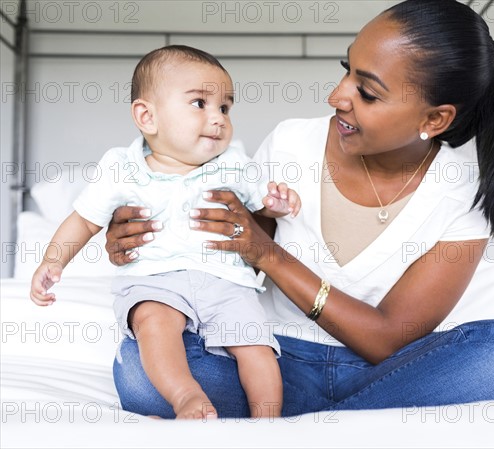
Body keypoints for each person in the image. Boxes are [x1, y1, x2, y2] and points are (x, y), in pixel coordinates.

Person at [107, 0, 494, 418]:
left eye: (367, 92)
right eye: (347, 70)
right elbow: (225, 253)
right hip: (268, 357)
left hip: (387, 370)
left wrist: (269, 254)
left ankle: (322, 419)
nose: (337, 96)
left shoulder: (461, 193)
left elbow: (386, 340)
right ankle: (362, 418)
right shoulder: (291, 142)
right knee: (139, 370)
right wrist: (149, 234)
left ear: (434, 119)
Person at [30, 45, 302, 419]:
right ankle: (186, 396)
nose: (218, 118)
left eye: (225, 107)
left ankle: (267, 423)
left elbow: (263, 206)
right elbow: (84, 220)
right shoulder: (121, 168)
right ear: (147, 116)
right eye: (200, 103)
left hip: (226, 282)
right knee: (154, 322)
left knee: (256, 344)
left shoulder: (234, 164)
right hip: (153, 280)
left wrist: (279, 203)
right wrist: (53, 260)